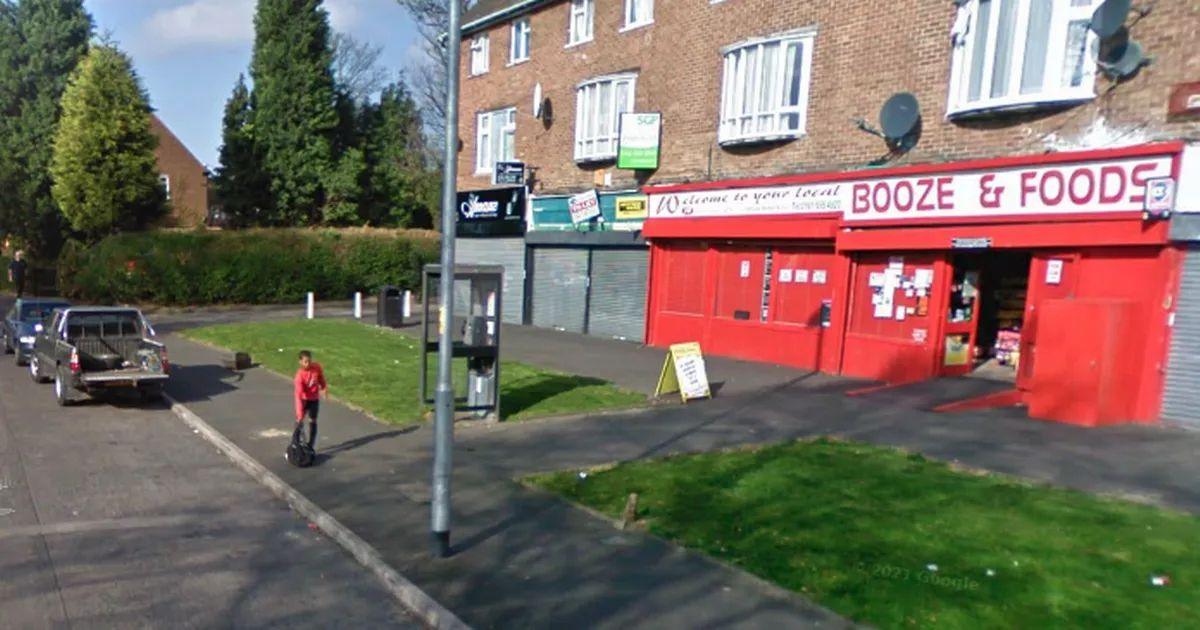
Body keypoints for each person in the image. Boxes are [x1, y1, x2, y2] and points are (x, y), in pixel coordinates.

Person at [293, 350, 328, 450]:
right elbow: (298, 396)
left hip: (314, 399)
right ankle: (295, 442)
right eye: (305, 362)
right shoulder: (299, 376)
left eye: (309, 361)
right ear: (300, 362)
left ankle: (311, 444)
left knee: (313, 420)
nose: (308, 364)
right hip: (304, 400)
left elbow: (321, 378)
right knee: (299, 420)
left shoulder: (316, 367)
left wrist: (324, 388)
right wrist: (299, 414)